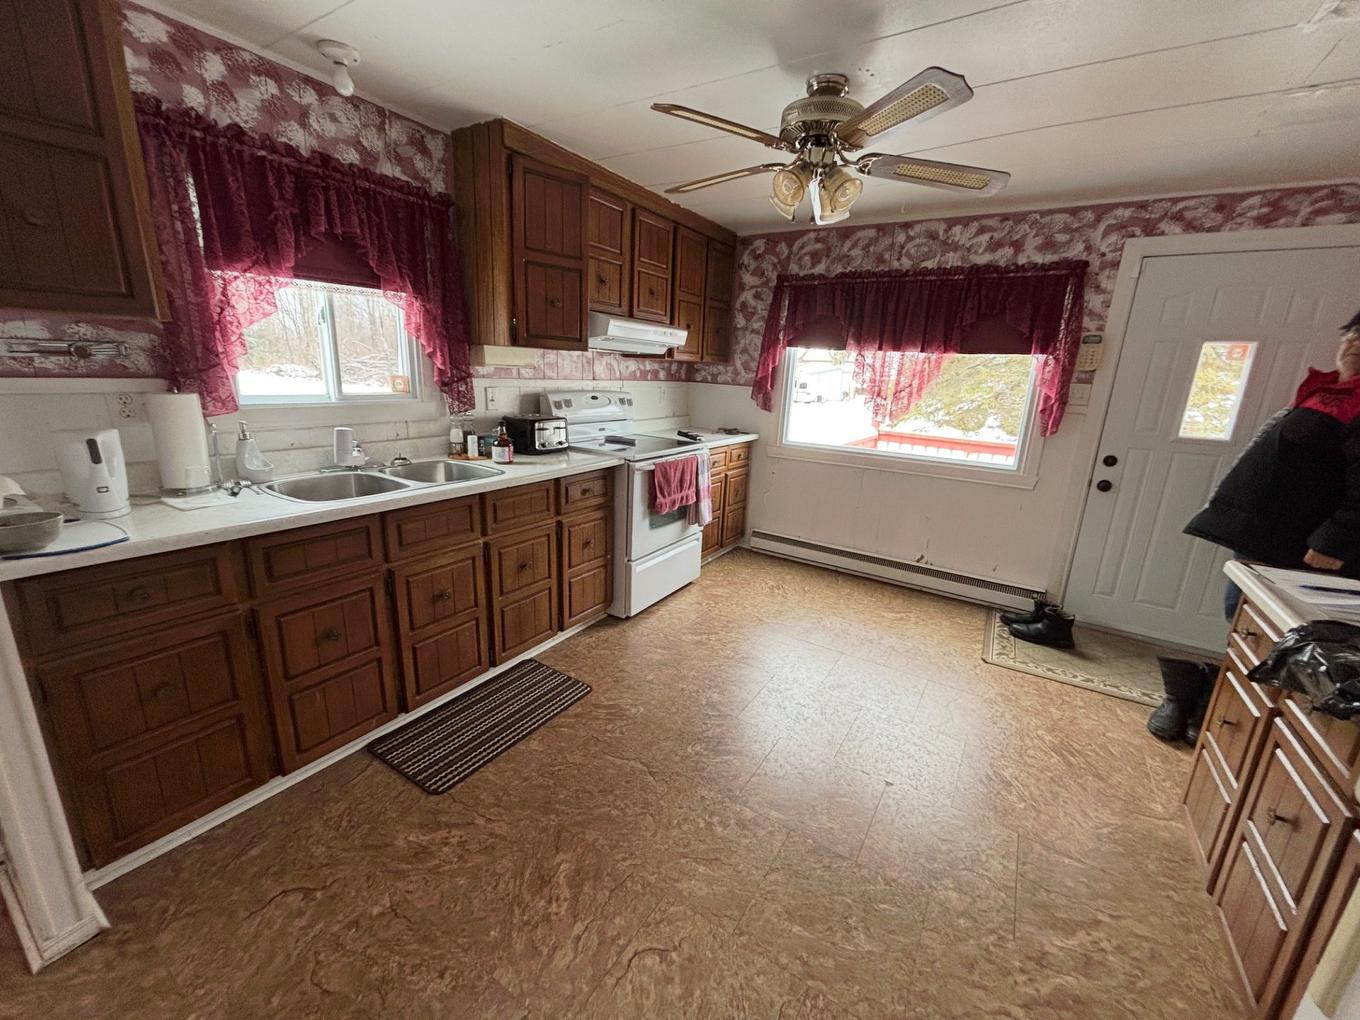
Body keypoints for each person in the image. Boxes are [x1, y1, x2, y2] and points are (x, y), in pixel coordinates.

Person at [1148, 308, 1360, 743]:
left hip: (1305, 546)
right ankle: (1209, 700)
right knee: (1242, 619)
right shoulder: (1329, 391)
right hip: (1268, 533)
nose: (1353, 344)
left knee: (1271, 633)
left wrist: (1335, 538)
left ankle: (1222, 713)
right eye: (1352, 334)